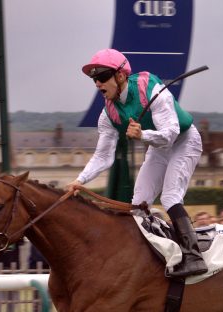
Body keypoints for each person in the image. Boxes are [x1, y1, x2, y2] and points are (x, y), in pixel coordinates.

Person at [64, 48, 206, 278]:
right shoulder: (108, 114)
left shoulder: (151, 90)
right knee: (138, 205)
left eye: (102, 77)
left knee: (170, 197)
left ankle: (194, 257)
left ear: (120, 75)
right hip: (159, 149)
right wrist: (79, 181)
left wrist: (142, 135)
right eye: (94, 79)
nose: (97, 83)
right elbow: (103, 156)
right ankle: (150, 256)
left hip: (184, 141)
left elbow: (170, 134)